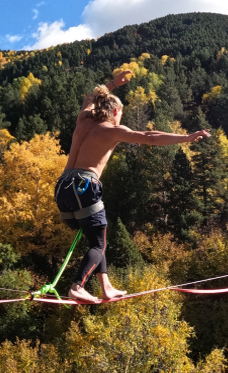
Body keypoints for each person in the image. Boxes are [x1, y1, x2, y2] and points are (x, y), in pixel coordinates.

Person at [54, 70, 211, 302]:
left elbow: (89, 97)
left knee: (97, 240)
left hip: (62, 188)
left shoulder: (83, 119)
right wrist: (185, 138)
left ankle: (105, 286)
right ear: (115, 112)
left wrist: (113, 83)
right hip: (84, 186)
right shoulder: (113, 130)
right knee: (98, 243)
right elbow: (150, 136)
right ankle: (77, 286)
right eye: (121, 114)